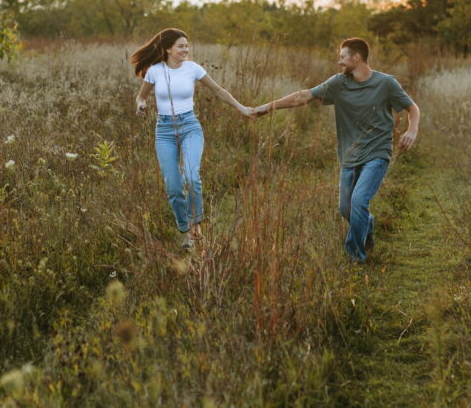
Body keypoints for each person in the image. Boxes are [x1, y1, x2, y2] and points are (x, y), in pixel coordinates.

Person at [252, 38, 419, 262]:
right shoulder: (338, 83)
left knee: (359, 201)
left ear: (356, 58)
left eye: (343, 57)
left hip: (378, 152)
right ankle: (367, 224)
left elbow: (411, 108)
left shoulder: (385, 83)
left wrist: (412, 130)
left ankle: (355, 256)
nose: (339, 61)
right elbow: (303, 96)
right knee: (346, 209)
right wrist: (266, 107)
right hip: (349, 154)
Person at [132, 28, 252, 249]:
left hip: (189, 126)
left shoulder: (193, 69)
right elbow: (142, 95)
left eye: (187, 46)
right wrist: (141, 104)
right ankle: (185, 229)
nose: (185, 49)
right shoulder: (155, 71)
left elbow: (218, 90)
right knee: (174, 187)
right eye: (181, 46)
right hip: (164, 130)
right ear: (168, 48)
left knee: (191, 176)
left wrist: (241, 108)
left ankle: (196, 225)